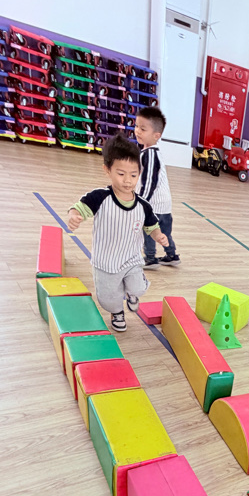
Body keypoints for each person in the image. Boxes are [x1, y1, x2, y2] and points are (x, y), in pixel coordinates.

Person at [67, 133, 168, 332]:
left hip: (131, 259)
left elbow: (151, 226)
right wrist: (74, 215)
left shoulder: (143, 206)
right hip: (106, 262)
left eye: (133, 175)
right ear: (108, 170)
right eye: (121, 174)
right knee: (108, 298)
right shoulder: (100, 197)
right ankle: (117, 312)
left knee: (138, 287)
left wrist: (158, 236)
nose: (128, 180)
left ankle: (132, 293)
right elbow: (79, 207)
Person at [134, 105, 180, 268]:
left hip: (154, 204)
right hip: (164, 205)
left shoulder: (150, 154)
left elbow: (149, 182)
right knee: (165, 232)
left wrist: (141, 202)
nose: (137, 131)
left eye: (143, 129)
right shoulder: (149, 152)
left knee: (149, 230)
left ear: (156, 135)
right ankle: (172, 255)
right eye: (136, 126)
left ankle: (150, 258)